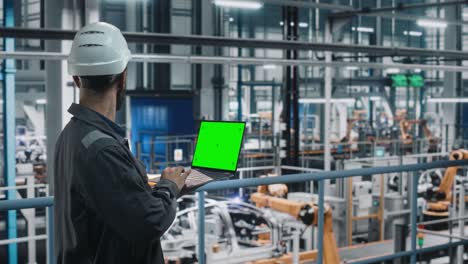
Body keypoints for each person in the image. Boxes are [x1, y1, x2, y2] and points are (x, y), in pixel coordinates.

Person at [54, 22, 190, 264]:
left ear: (76, 78)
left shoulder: (71, 135)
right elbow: (151, 222)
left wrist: (158, 188)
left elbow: (109, 199)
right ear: (123, 78)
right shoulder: (101, 148)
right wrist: (169, 187)